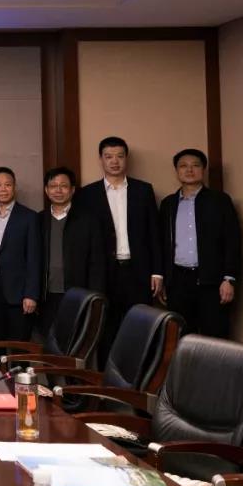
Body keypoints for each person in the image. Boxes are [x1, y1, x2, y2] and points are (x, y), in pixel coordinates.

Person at [75, 136, 161, 362]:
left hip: (138, 270)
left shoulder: (143, 190)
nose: (114, 161)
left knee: (141, 327)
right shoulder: (87, 194)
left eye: (120, 156)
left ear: (126, 159)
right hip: (104, 272)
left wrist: (157, 272)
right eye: (109, 157)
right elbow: (84, 241)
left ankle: (138, 379)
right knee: (106, 328)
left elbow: (154, 232)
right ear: (101, 160)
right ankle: (107, 378)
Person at [158, 148, 242, 338]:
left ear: (203, 170)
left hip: (212, 281)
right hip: (178, 281)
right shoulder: (168, 204)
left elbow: (232, 240)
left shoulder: (219, 201)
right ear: (176, 171)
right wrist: (164, 279)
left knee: (216, 336)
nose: (189, 170)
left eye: (195, 165)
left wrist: (229, 279)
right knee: (182, 337)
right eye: (183, 166)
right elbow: (162, 244)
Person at [0, 167, 40, 364]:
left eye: (8, 185)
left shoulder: (29, 217)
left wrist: (31, 294)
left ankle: (20, 384)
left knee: (20, 349)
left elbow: (34, 258)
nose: (3, 189)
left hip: (20, 294)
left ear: (14, 187)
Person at [39, 167, 106, 337]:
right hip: (46, 296)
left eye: (63, 186)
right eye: (53, 186)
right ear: (46, 190)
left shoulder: (88, 220)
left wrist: (95, 296)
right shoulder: (38, 219)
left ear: (72, 190)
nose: (58, 190)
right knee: (48, 342)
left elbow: (97, 262)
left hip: (78, 294)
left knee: (76, 342)